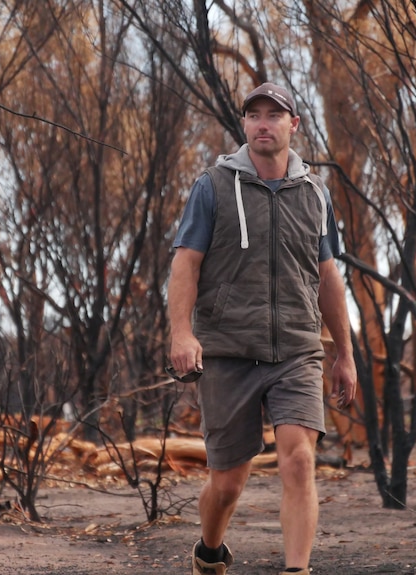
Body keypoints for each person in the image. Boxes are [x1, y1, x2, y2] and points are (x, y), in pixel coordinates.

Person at [167, 82, 358, 575]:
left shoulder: (314, 193)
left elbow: (327, 275)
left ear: (294, 125)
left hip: (296, 349)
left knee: (298, 460)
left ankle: (297, 570)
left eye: (275, 115)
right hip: (229, 351)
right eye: (254, 115)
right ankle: (210, 551)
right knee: (228, 483)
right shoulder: (212, 187)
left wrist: (345, 353)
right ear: (245, 124)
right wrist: (182, 334)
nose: (263, 123)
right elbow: (186, 264)